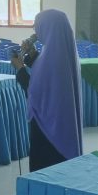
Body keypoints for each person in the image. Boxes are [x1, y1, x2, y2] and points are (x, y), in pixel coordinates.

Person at [10, 9, 83, 172]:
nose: (35, 30)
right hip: (61, 121)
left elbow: (35, 90)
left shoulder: (51, 55)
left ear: (48, 27)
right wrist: (32, 53)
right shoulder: (61, 51)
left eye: (37, 26)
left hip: (48, 126)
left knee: (46, 168)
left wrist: (20, 68)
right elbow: (44, 72)